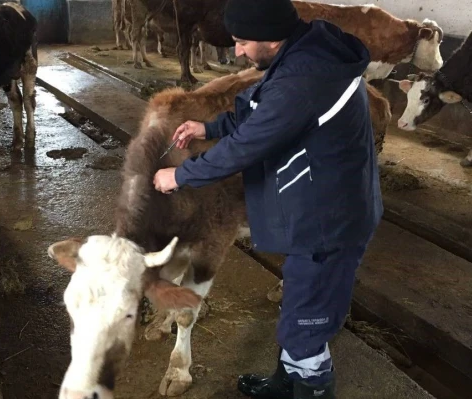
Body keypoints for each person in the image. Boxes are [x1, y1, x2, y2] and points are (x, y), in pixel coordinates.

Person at [152, 0, 383, 398]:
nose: (237, 51)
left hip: (328, 219)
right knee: (299, 304)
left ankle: (313, 389)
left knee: (306, 322)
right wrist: (209, 125)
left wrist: (180, 174)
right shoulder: (305, 52)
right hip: (319, 207)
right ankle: (287, 381)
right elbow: (261, 109)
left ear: (272, 39)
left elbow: (249, 145)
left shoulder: (304, 80)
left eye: (242, 42)